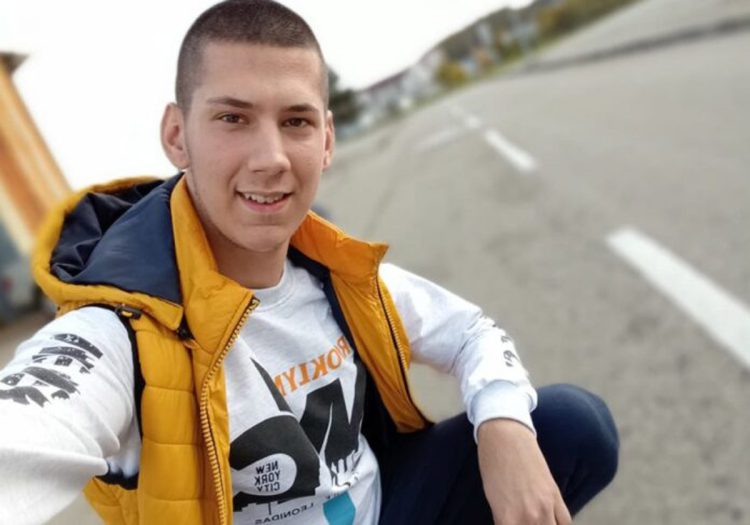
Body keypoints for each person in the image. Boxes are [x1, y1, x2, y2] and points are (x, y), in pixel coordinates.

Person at [0, 1, 618, 524]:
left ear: (325, 141)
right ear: (176, 135)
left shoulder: (336, 275)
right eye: (233, 118)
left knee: (570, 424)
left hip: (388, 506)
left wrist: (503, 427)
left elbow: (472, 332)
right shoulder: (116, 332)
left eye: (295, 121)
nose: (271, 158)